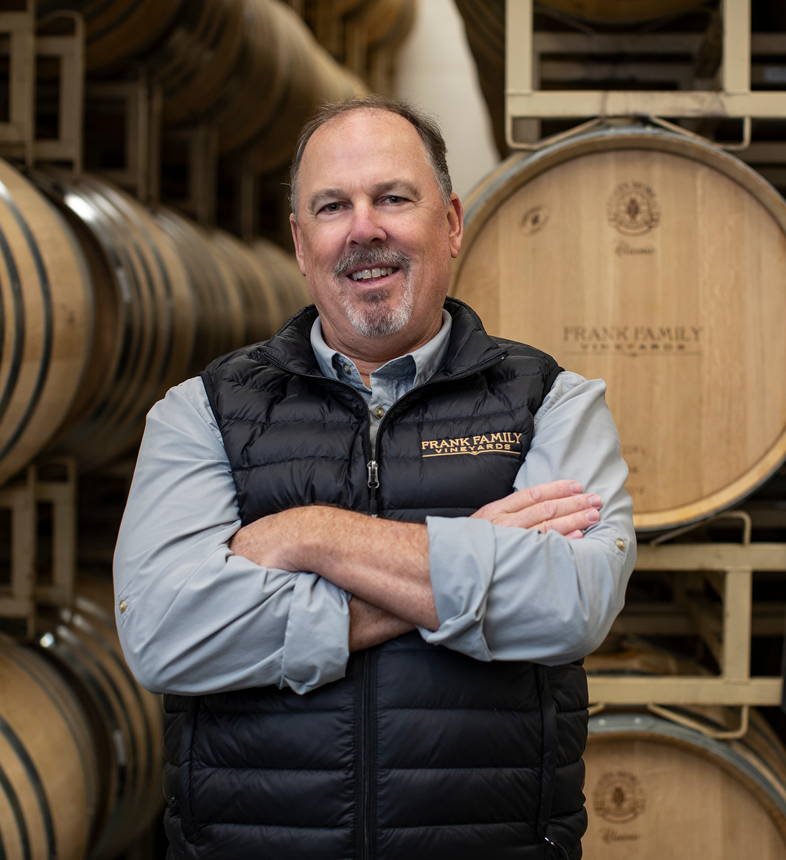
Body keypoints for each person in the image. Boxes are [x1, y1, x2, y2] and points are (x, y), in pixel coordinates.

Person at [113, 95, 635, 860]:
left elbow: (569, 607)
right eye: (333, 206)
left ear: (450, 222)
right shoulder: (203, 411)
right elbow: (163, 636)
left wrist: (309, 536)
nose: (364, 229)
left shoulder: (553, 401)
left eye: (393, 198)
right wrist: (473, 550)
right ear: (300, 242)